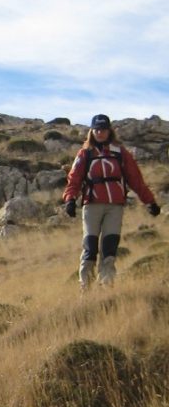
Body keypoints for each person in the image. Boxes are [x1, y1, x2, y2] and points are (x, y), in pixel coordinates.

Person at [63, 113, 160, 289]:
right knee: (90, 247)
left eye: (104, 129)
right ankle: (85, 287)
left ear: (109, 131)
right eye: (97, 129)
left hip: (115, 207)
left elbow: (135, 180)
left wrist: (150, 202)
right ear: (92, 131)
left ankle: (106, 286)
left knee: (110, 247)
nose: (100, 133)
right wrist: (70, 199)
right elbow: (74, 179)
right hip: (91, 205)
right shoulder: (85, 154)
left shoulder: (121, 153)